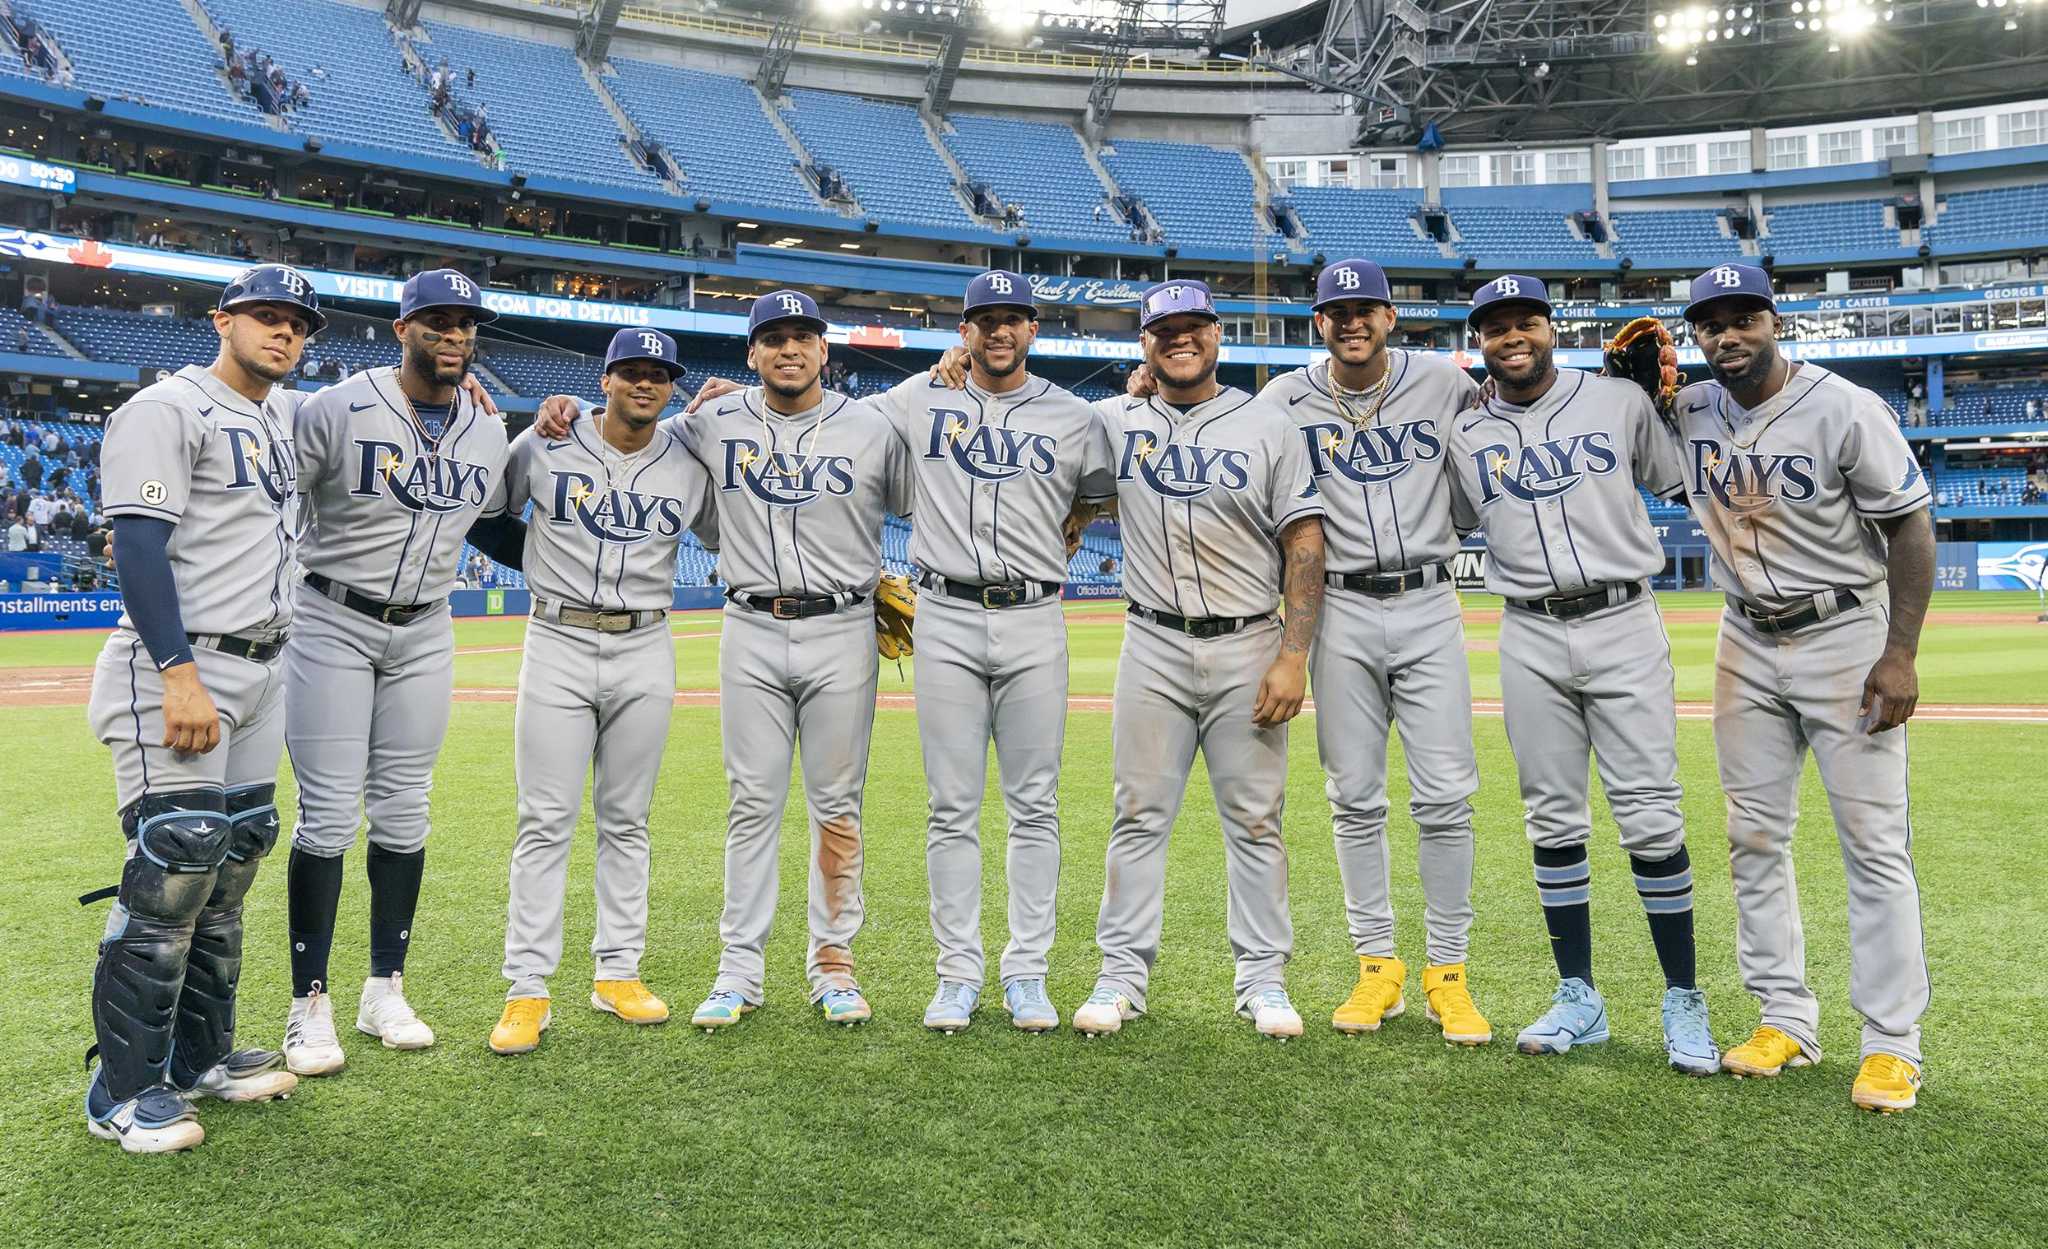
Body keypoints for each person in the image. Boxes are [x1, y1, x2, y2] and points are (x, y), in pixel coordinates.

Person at [535, 290, 912, 1030]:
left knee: (837, 806)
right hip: (750, 625)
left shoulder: (872, 426)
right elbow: (623, 432)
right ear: (751, 353)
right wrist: (565, 409)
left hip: (843, 625)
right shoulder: (708, 421)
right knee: (752, 805)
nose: (789, 349)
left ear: (825, 352)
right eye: (773, 337)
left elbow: (921, 499)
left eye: (804, 336)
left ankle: (833, 964)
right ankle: (739, 969)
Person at [820, 270, 1116, 1033]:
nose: (998, 331)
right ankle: (957, 972)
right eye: (984, 319)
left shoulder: (1072, 413)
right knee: (950, 806)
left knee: (1034, 804)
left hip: (1034, 614)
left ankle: (1026, 972)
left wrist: (1078, 518)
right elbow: (827, 417)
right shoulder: (919, 397)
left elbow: (1105, 484)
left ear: (1032, 329)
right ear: (965, 332)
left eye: (1012, 318)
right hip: (943, 614)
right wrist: (730, 397)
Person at [1672, 264, 1934, 1112]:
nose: (1727, 335)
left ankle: (1892, 1043)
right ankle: (1784, 1015)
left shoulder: (1846, 406)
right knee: (1752, 836)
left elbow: (1910, 523)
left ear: (1774, 321)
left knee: (1872, 842)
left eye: (1742, 317)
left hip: (1844, 631)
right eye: (1710, 324)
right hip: (1743, 631)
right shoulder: (1692, 409)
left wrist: (1899, 652)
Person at [79, 265, 327, 1152]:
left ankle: (198, 1059)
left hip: (263, 666)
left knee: (229, 872)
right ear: (222, 320)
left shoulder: (278, 416)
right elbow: (138, 544)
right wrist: (177, 669)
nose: (284, 332)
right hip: (184, 666)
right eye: (267, 316)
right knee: (172, 873)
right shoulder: (167, 407)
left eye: (298, 323)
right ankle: (121, 1091)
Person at [1444, 274, 1718, 1075]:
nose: (1512, 335)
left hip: (1625, 620)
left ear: (1549, 328)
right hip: (1526, 628)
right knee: (1552, 820)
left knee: (1652, 817)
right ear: (1481, 341)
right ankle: (1579, 996)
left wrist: (1667, 404)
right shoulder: (1466, 432)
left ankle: (1683, 998)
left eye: (1525, 320)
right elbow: (1458, 518)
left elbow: (1678, 478)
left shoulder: (1618, 402)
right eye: (1496, 327)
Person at [279, 269, 519, 1076]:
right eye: (437, 321)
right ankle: (307, 1003)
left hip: (426, 627)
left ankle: (385, 986)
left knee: (406, 811)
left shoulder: (488, 427)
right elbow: (275, 500)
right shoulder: (338, 406)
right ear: (402, 328)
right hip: (332, 617)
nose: (454, 335)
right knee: (326, 816)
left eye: (465, 324)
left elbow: (492, 524)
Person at [1074, 281, 1327, 1040]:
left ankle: (1263, 981)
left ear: (1217, 334)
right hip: (1151, 639)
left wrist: (1293, 653)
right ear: (1143, 345)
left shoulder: (1266, 422)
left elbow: (1305, 541)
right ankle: (1121, 976)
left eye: (1193, 327)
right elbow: (1065, 490)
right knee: (1137, 814)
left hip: (1249, 638)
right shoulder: (1112, 421)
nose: (1179, 339)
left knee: (1255, 820)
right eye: (1163, 330)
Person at [1256, 260, 1492, 1043]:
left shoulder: (1446, 383)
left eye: (1366, 309)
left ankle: (1447, 973)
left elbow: (1515, 409)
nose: (1351, 321)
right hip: (1341, 608)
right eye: (1336, 311)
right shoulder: (1283, 399)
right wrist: (1141, 393)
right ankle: (1376, 968)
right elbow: (1222, 433)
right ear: (1317, 323)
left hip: (1429, 598)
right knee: (1353, 794)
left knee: (1445, 793)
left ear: (1391, 317)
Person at [484, 329, 713, 1056]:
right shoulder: (546, 439)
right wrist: (548, 560)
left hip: (646, 639)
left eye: (659, 374)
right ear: (605, 378)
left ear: (672, 385)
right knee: (544, 818)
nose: (646, 384)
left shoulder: (689, 458)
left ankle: (618, 972)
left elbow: (733, 526)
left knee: (627, 818)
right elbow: (488, 514)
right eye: (632, 372)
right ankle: (527, 988)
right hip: (556, 637)